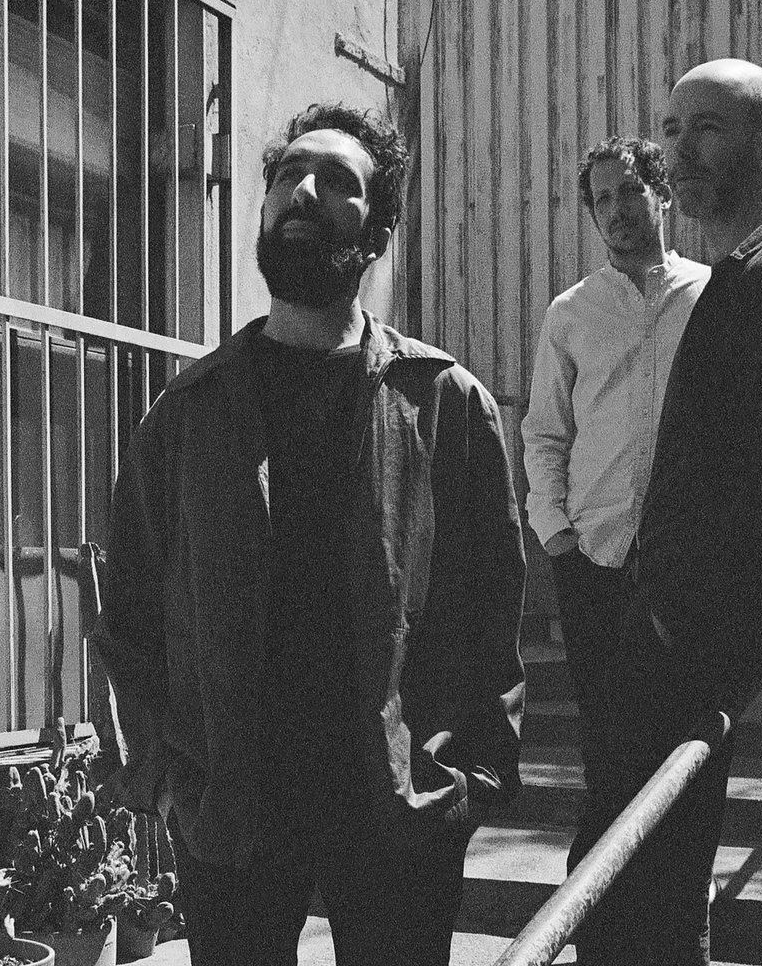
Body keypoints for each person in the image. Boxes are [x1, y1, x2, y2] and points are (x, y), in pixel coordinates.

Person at [92, 103, 527, 966]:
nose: (303, 190)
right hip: (234, 800)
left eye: (336, 180)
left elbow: (489, 606)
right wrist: (163, 779)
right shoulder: (189, 411)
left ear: (377, 232)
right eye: (289, 173)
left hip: (395, 796)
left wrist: (472, 776)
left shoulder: (441, 402)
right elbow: (131, 606)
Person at [574, 59, 762, 966]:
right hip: (667, 633)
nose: (680, 150)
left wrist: (690, 630)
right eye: (670, 129)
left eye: (706, 127)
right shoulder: (738, 276)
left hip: (688, 646)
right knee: (631, 877)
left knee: (637, 886)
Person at [521, 136, 709, 805]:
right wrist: (555, 535)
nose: (617, 208)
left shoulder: (710, 296)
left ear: (663, 196)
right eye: (602, 198)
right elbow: (545, 432)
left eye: (630, 190)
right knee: (607, 750)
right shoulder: (570, 313)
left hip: (688, 561)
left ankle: (678, 875)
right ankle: (605, 876)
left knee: (687, 746)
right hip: (593, 561)